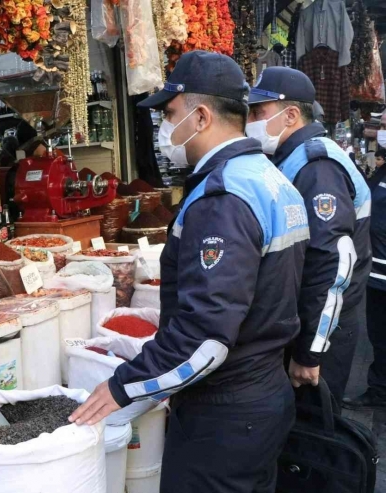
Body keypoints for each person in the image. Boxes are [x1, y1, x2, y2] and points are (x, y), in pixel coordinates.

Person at [69, 51, 309, 492]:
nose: (163, 128)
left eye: (168, 113)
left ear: (200, 117)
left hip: (224, 412)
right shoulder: (270, 179)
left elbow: (206, 338)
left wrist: (125, 387)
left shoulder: (223, 198)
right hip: (262, 395)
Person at [246, 67, 371, 404]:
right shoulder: (291, 158)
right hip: (309, 322)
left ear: (290, 115)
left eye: (258, 112)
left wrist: (309, 352)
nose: (251, 120)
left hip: (323, 330)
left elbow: (329, 263)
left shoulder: (317, 167)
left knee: (315, 441)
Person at [345, 147, 386, 408]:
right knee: (379, 338)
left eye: (383, 125)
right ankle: (380, 388)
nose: (380, 131)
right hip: (377, 276)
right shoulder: (382, 171)